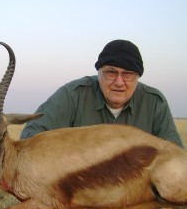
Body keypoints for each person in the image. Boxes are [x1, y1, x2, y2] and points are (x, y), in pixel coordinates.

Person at [21, 39, 183, 148]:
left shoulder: (154, 102)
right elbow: (29, 138)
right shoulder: (73, 95)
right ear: (98, 72)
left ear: (137, 77)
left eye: (127, 74)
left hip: (137, 188)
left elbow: (175, 155)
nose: (119, 82)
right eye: (111, 72)